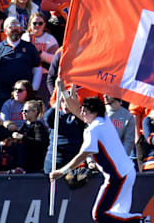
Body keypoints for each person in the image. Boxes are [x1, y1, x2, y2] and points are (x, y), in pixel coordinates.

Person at [50, 93, 145, 223]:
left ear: (94, 113)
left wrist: (61, 172)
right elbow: (76, 109)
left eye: (85, 111)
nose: (82, 113)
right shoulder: (104, 119)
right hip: (127, 172)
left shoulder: (94, 129)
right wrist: (64, 92)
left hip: (118, 176)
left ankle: (140, 221)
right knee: (118, 215)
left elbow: (82, 156)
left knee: (99, 214)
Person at [0, 17, 40, 110]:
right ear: (5, 30)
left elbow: (37, 68)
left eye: (17, 25)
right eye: (11, 26)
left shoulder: (29, 47)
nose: (15, 28)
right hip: (4, 93)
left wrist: (34, 88)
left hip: (25, 93)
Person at [12, 99, 48, 173]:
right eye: (22, 111)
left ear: (35, 112)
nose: (23, 113)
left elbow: (40, 144)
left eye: (26, 111)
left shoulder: (38, 126)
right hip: (23, 165)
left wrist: (22, 138)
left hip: (34, 165)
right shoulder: (24, 125)